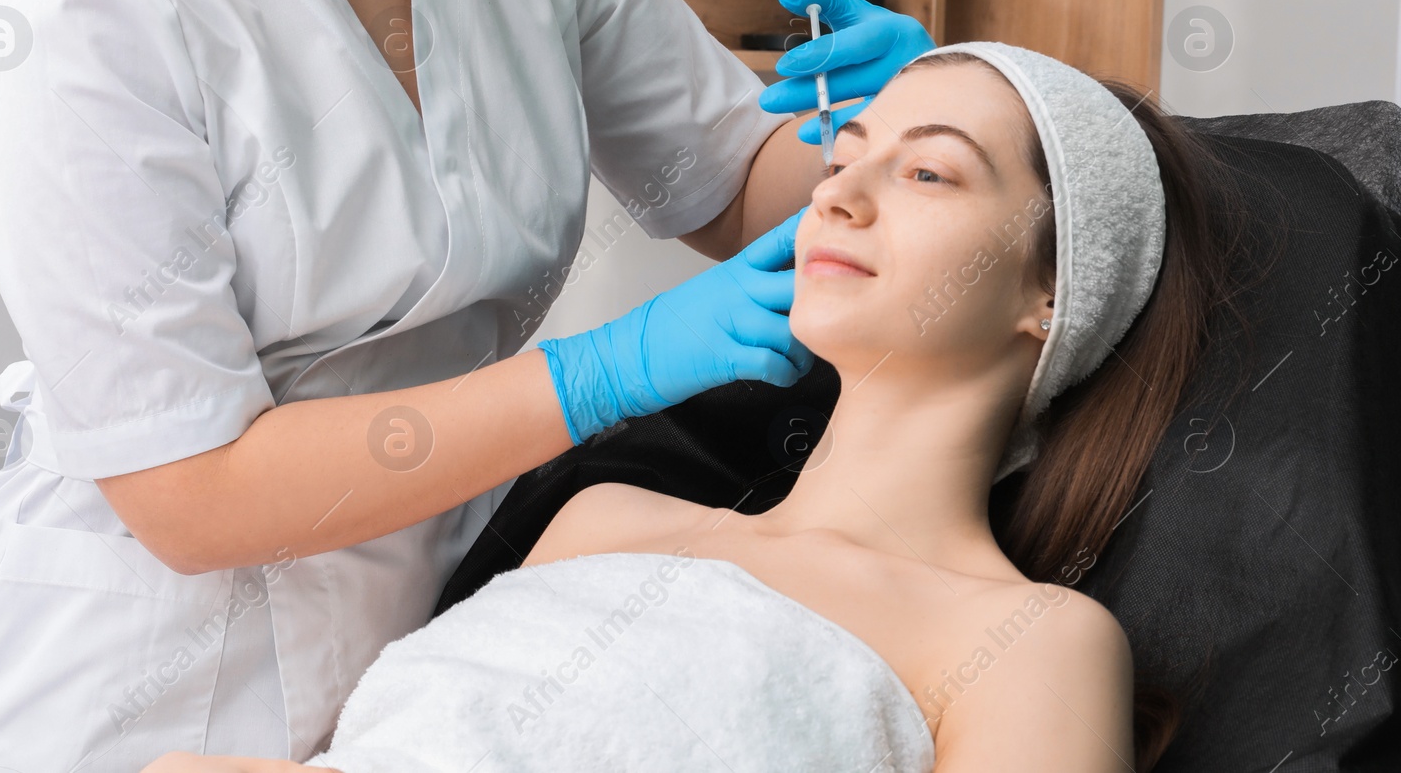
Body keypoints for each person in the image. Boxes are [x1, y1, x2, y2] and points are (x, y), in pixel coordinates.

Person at [0, 0, 936, 768]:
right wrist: (597, 375)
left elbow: (729, 178)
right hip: (151, 673)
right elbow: (191, 494)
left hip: (439, 638)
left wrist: (914, 125)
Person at [134, 43, 1244, 773]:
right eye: (842, 156)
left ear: (1055, 289)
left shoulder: (1022, 643)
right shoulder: (605, 518)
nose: (838, 194)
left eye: (928, 175)